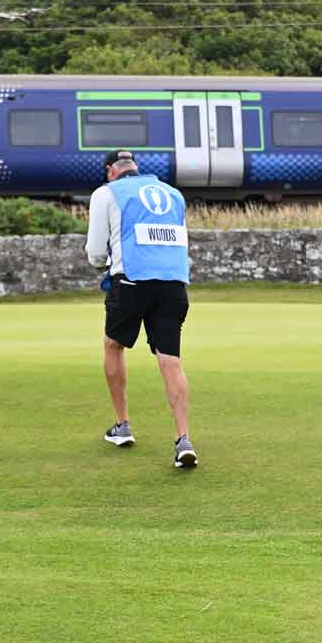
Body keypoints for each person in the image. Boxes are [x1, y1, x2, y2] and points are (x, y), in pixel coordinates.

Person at [85, 149, 198, 468]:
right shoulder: (172, 193)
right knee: (170, 361)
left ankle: (122, 426)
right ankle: (183, 439)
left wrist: (101, 264)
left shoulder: (106, 193)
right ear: (135, 167)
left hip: (132, 281)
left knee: (113, 345)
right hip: (174, 283)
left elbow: (96, 250)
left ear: (111, 171)